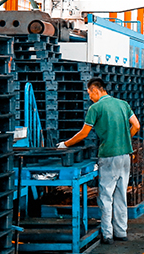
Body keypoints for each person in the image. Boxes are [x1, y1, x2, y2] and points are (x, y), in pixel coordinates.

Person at [58, 77, 139, 244]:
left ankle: (107, 235)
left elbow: (84, 133)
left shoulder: (95, 108)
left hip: (108, 156)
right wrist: (124, 140)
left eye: (89, 93)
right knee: (121, 195)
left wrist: (65, 144)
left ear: (95, 90)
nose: (89, 97)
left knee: (106, 196)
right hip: (125, 155)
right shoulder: (123, 104)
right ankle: (121, 232)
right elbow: (136, 125)